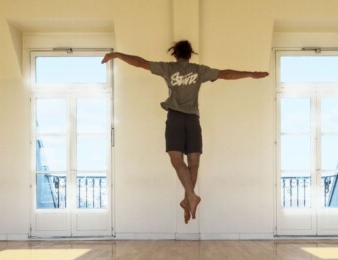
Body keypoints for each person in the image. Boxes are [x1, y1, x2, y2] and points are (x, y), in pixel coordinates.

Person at [102, 41, 268, 223]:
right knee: (194, 162)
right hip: (193, 119)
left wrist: (117, 55)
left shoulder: (168, 68)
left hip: (175, 118)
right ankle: (189, 198)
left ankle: (190, 197)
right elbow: (226, 74)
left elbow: (140, 62)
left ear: (175, 54)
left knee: (176, 160)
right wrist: (251, 74)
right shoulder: (199, 71)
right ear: (190, 54)